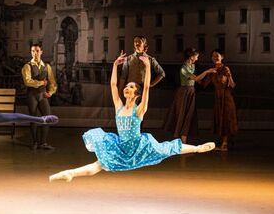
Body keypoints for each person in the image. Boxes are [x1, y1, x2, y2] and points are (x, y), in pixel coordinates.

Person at [49, 51, 215, 182]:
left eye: (130, 87)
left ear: (136, 93)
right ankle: (70, 173)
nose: (126, 88)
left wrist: (148, 67)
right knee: (100, 165)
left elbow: (147, 89)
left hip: (138, 148)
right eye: (126, 86)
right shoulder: (119, 107)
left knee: (168, 148)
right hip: (121, 147)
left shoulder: (139, 110)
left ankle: (198, 148)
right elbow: (113, 85)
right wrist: (115, 65)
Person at [163, 48, 216, 143]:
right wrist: (207, 72)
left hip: (191, 92)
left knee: (189, 116)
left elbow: (198, 81)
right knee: (181, 115)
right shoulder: (184, 68)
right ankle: (178, 142)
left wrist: (208, 80)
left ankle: (184, 141)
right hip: (183, 93)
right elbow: (196, 78)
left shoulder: (192, 66)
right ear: (191, 57)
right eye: (196, 56)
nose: (197, 58)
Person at [21, 43, 57, 150]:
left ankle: (43, 142)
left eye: (37, 50)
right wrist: (41, 83)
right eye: (32, 51)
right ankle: (35, 142)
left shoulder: (47, 66)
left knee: (47, 118)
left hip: (43, 95)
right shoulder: (27, 66)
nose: (35, 53)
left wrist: (50, 92)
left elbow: (52, 82)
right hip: (32, 95)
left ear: (41, 52)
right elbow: (27, 81)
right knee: (34, 118)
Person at [201, 49, 238, 151]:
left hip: (226, 97)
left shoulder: (225, 68)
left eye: (217, 55)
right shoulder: (212, 71)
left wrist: (229, 75)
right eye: (213, 56)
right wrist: (192, 77)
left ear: (222, 57)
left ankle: (225, 144)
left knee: (226, 118)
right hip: (218, 98)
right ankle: (224, 143)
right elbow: (203, 84)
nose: (215, 58)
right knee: (220, 119)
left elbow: (233, 85)